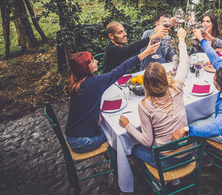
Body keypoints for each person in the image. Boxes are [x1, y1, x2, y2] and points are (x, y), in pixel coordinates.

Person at [65, 42, 159, 153]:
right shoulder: (93, 83)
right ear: (85, 68)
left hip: (73, 135)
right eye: (92, 61)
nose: (97, 61)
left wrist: (96, 114)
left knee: (112, 126)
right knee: (120, 134)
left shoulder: (77, 83)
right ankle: (125, 158)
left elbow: (85, 104)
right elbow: (119, 70)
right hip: (84, 141)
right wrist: (146, 52)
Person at [119, 28, 191, 168]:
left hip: (167, 160)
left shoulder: (145, 105)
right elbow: (184, 63)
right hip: (189, 150)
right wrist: (181, 40)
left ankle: (157, 178)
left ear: (145, 83)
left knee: (131, 149)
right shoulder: (177, 87)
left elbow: (147, 141)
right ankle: (174, 178)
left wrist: (128, 126)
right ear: (166, 78)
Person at [172, 28, 222, 143]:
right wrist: (201, 39)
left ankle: (198, 153)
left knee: (191, 123)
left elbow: (216, 128)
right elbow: (215, 59)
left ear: (219, 89)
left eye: (214, 79)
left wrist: (187, 130)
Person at [103, 21, 168, 73]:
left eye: (124, 31)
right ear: (111, 36)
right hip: (111, 84)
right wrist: (152, 38)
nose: (125, 34)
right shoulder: (110, 49)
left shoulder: (122, 46)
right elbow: (129, 50)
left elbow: (132, 49)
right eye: (120, 32)